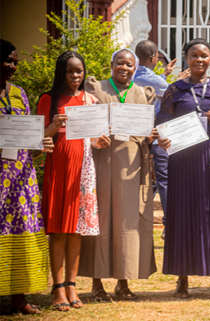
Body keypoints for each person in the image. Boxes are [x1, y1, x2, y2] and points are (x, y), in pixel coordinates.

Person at [155, 38, 210, 300]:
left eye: (204, 55)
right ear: (186, 58)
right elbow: (162, 121)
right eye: (194, 55)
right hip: (184, 162)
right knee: (184, 215)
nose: (199, 60)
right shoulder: (175, 89)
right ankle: (183, 279)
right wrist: (162, 137)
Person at [78, 48, 157, 301]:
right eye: (120, 63)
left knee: (127, 222)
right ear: (111, 65)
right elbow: (84, 122)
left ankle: (123, 282)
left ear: (135, 68)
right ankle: (96, 283)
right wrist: (94, 134)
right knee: (99, 220)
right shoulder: (96, 89)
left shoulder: (140, 93)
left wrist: (151, 135)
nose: (125, 68)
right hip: (101, 163)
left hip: (131, 166)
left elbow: (146, 131)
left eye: (130, 65)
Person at [38, 51, 110, 311]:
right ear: (61, 72)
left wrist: (99, 141)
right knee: (58, 231)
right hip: (59, 167)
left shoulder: (90, 99)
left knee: (77, 230)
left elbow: (92, 138)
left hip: (84, 169)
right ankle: (57, 289)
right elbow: (38, 140)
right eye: (70, 71)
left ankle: (72, 285)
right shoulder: (49, 99)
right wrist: (53, 126)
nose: (75, 76)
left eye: (79, 71)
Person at [0, 39, 54, 314]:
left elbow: (28, 136)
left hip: (22, 176)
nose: (12, 66)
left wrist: (39, 144)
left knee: (21, 228)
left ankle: (19, 297)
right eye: (7, 60)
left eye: (15, 61)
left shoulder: (19, 93)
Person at [133, 40, 187, 239]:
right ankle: (169, 224)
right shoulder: (154, 80)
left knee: (144, 180)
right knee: (164, 180)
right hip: (157, 135)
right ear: (153, 57)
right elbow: (171, 93)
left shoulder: (131, 75)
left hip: (134, 137)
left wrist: (165, 74)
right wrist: (179, 79)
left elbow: (156, 86)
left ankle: (136, 219)